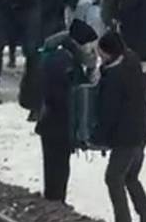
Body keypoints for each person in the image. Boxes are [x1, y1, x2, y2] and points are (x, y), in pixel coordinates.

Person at [93, 31, 146, 222]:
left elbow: (109, 111)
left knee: (113, 177)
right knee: (130, 176)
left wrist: (97, 137)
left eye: (101, 52)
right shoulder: (132, 61)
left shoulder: (114, 77)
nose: (99, 56)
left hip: (126, 135)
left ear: (109, 53)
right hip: (142, 130)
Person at [35, 19, 100, 203]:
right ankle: (54, 202)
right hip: (55, 122)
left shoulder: (68, 58)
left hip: (58, 123)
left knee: (59, 167)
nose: (92, 51)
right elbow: (61, 94)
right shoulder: (62, 61)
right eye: (89, 46)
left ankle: (56, 200)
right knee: (56, 168)